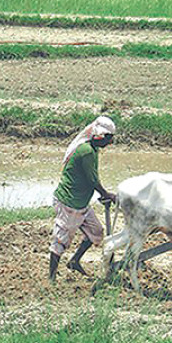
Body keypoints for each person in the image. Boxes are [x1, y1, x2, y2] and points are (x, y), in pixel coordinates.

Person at [49, 115, 117, 282]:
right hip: (70, 202)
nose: (110, 143)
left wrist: (104, 193)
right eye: (108, 139)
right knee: (61, 240)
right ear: (99, 136)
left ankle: (74, 261)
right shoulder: (86, 151)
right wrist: (106, 194)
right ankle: (51, 278)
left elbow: (92, 178)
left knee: (96, 232)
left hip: (81, 203)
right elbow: (92, 179)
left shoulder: (92, 149)